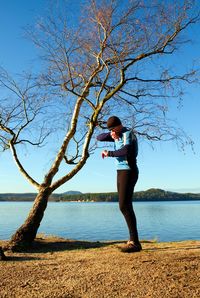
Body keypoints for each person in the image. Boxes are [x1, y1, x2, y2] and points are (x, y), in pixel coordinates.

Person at [97, 116, 142, 253]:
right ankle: (134, 241)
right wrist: (111, 134)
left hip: (129, 171)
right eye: (109, 129)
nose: (111, 131)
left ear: (119, 125)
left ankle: (134, 242)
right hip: (120, 171)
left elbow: (126, 151)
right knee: (124, 205)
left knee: (124, 205)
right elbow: (99, 137)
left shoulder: (128, 134)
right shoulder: (116, 134)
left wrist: (109, 153)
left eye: (112, 128)